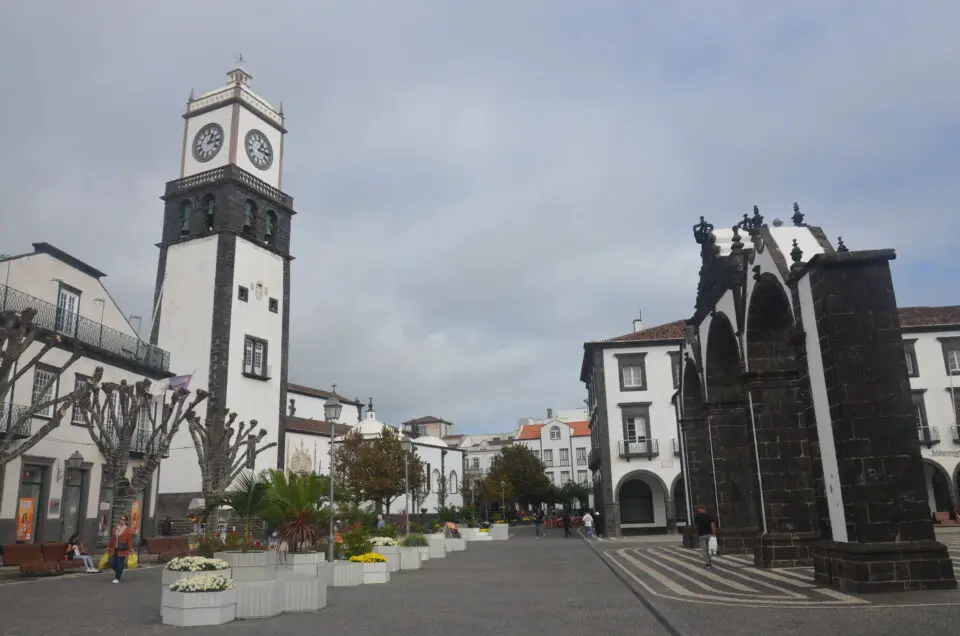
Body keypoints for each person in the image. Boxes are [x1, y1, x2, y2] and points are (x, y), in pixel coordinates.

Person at [108, 515, 134, 583]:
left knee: (120, 563)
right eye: (120, 519)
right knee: (111, 561)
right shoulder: (115, 528)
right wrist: (109, 547)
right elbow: (112, 539)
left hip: (122, 549)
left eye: (123, 519)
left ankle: (117, 578)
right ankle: (119, 571)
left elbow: (129, 540)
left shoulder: (128, 530)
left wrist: (130, 548)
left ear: (126, 521)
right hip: (114, 548)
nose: (121, 521)